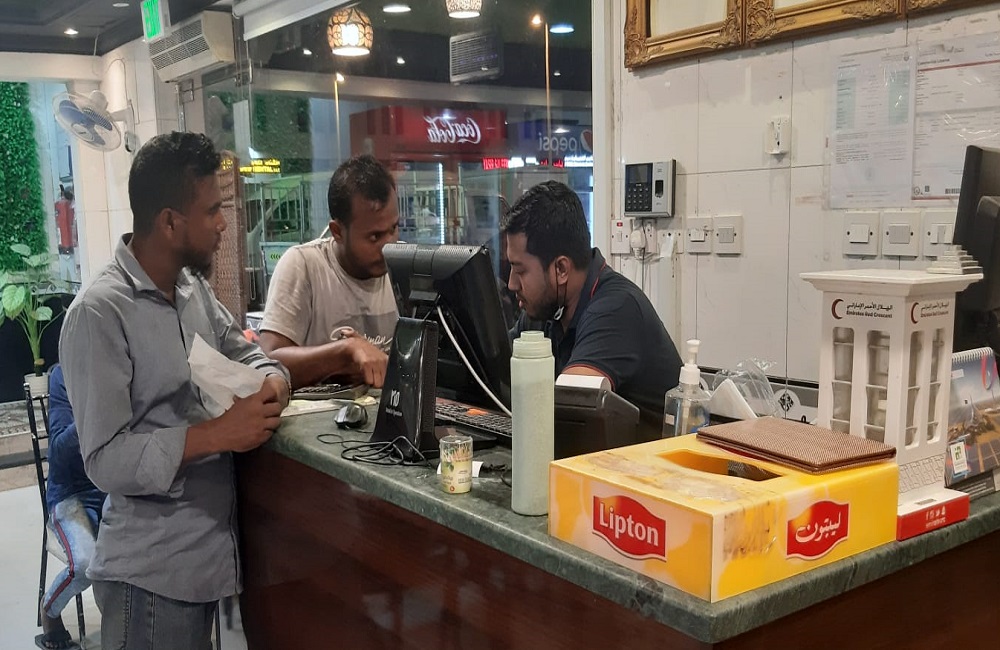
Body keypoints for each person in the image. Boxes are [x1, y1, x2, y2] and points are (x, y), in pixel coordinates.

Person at [59, 132, 291, 650]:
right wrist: (218, 434)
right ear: (169, 222)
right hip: (149, 577)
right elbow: (104, 460)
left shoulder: (194, 291)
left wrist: (273, 384)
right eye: (212, 210)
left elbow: (249, 353)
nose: (223, 224)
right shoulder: (99, 313)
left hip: (207, 560)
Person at [503, 180, 683, 432]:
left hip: (651, 457)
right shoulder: (545, 309)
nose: (512, 284)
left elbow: (572, 411)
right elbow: (496, 373)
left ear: (561, 269)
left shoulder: (617, 309)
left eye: (520, 270)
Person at [259, 154, 400, 389]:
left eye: (394, 228)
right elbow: (268, 362)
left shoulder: (406, 267)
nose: (389, 245)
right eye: (375, 236)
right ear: (337, 232)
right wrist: (345, 351)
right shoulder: (303, 265)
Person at [35, 364, 105, 650]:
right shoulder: (64, 374)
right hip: (71, 493)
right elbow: (59, 452)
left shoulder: (122, 364)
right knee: (85, 565)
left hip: (114, 485)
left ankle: (127, 622)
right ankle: (49, 610)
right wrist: (96, 414)